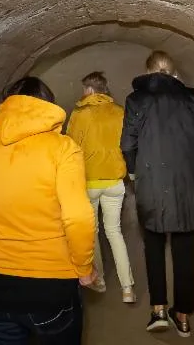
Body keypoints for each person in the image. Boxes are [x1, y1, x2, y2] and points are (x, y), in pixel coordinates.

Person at [0, 77, 96, 345]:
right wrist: (84, 267)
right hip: (49, 287)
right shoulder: (63, 148)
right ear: (46, 105)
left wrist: (0, 221)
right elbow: (77, 217)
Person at [120, 51, 194, 338]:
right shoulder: (191, 97)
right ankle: (184, 316)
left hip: (152, 184)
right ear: (173, 72)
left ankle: (158, 310)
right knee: (184, 251)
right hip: (187, 185)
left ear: (149, 71)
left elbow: (128, 143)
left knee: (153, 247)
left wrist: (135, 173)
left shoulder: (136, 99)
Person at [66, 71, 136, 304]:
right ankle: (128, 288)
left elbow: (70, 147)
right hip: (115, 182)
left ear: (90, 90)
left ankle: (100, 281)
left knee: (92, 233)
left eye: (84, 89)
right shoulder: (119, 112)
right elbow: (127, 143)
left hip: (89, 182)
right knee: (115, 232)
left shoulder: (79, 113)